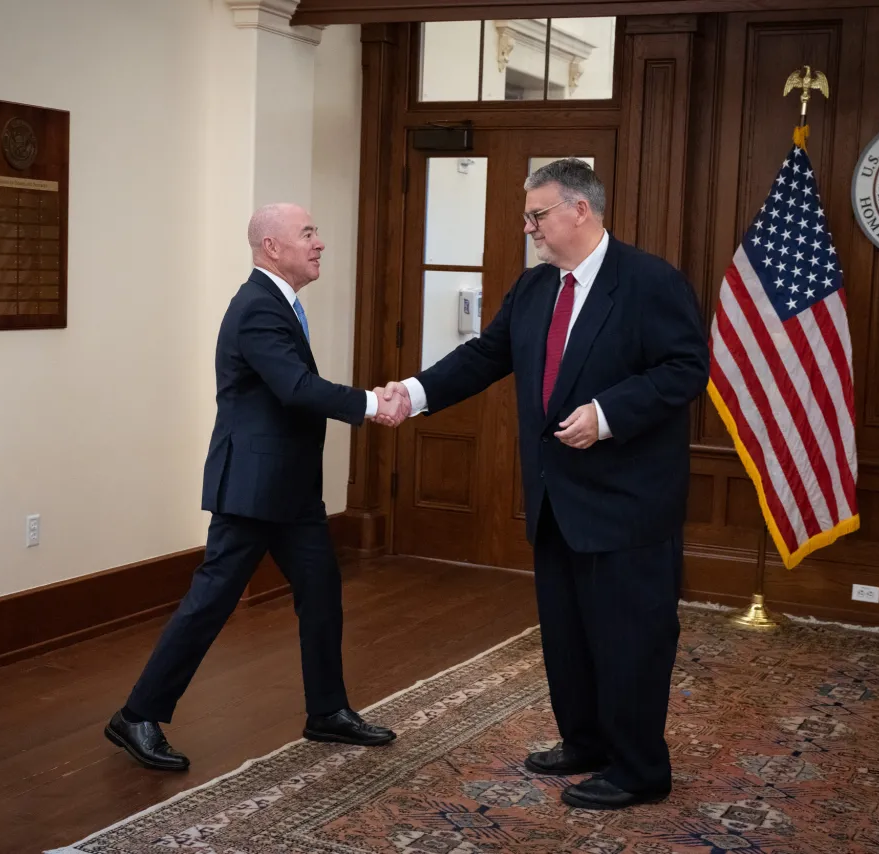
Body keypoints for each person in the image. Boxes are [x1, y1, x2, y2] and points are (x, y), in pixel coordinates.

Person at [382, 159, 709, 809]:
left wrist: (607, 415)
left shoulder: (648, 281)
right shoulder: (535, 289)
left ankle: (641, 770)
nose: (527, 227)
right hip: (556, 500)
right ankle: (585, 741)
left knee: (630, 639)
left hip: (628, 502)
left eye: (536, 215)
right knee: (568, 634)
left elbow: (685, 369)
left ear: (579, 211)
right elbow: (485, 356)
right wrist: (413, 393)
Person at [104, 203, 407, 771]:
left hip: (289, 490)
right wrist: (371, 403)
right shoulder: (257, 310)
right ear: (272, 247)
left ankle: (327, 712)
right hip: (253, 486)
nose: (320, 244)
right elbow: (295, 388)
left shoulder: (278, 306)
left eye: (317, 232)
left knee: (321, 592)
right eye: (308, 234)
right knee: (211, 602)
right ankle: (138, 715)